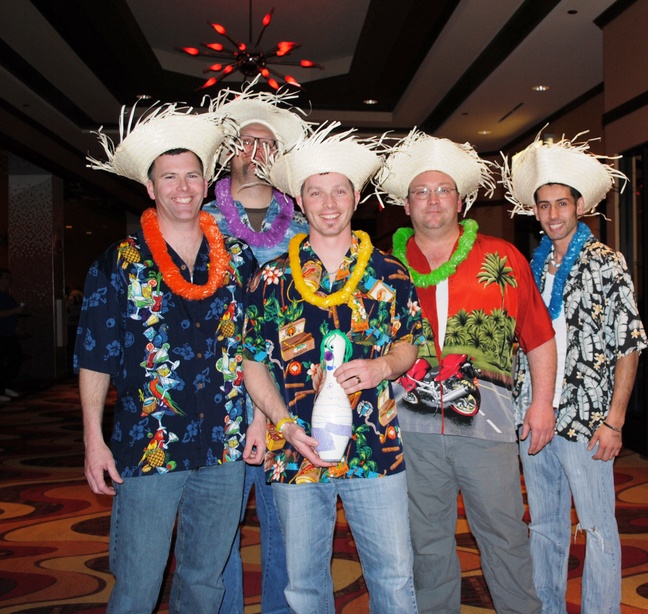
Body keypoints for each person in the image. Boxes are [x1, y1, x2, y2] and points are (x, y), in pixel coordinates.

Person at [77, 104, 257, 613]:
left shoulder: (238, 259)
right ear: (151, 188)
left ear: (206, 184)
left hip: (223, 445)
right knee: (137, 584)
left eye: (192, 176)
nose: (183, 187)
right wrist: (93, 439)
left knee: (205, 583)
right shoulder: (120, 263)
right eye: (169, 178)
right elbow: (95, 356)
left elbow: (254, 350)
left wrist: (259, 422)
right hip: (148, 445)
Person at [241, 123, 424, 613]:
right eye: (315, 192)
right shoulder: (271, 278)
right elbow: (252, 364)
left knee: (394, 578)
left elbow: (412, 346)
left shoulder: (390, 272)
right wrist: (281, 423)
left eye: (339, 190)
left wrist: (382, 367)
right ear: (299, 201)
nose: (328, 203)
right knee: (302, 586)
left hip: (376, 447)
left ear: (356, 196)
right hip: (295, 448)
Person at [375, 130, 556, 614]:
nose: (433, 201)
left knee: (505, 536)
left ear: (460, 201)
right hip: (409, 428)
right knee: (427, 545)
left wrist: (541, 405)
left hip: (488, 426)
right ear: (406, 205)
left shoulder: (502, 257)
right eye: (421, 192)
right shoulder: (385, 266)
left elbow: (538, 336)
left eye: (443, 191)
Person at [502, 131, 648, 612]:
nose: (552, 215)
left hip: (588, 422)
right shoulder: (534, 266)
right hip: (536, 416)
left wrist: (615, 420)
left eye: (561, 204)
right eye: (543, 206)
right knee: (543, 525)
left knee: (598, 529)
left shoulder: (607, 263)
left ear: (579, 205)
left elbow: (628, 345)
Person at [202, 84, 311, 614]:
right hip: (216, 398)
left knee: (287, 528)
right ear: (230, 151)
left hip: (287, 394)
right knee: (216, 531)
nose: (257, 152)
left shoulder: (310, 226)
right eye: (247, 141)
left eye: (268, 144)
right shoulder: (196, 221)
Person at [0, 268, 24, 402]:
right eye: (6, 278)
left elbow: (11, 315)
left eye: (10, 278)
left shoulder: (9, 297)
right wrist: (14, 310)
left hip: (9, 333)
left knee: (16, 358)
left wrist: (16, 328)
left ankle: (5, 386)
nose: (9, 281)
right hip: (1, 334)